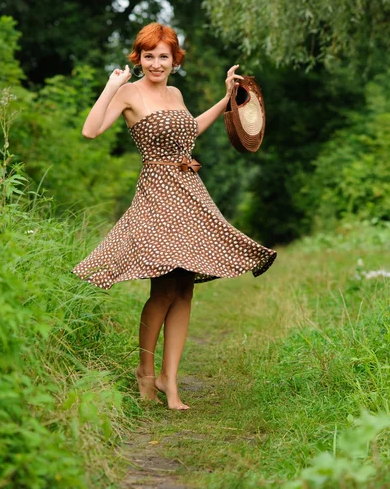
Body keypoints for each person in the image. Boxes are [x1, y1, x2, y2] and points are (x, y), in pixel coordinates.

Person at [71, 22, 277, 410]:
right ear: (139, 58)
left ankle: (171, 381)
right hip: (155, 196)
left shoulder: (177, 93)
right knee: (163, 288)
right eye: (148, 56)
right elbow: (90, 131)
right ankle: (145, 373)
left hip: (188, 194)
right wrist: (111, 86)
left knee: (184, 288)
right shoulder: (129, 93)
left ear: (174, 59)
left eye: (162, 56)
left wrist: (226, 99)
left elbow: (191, 130)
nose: (155, 63)